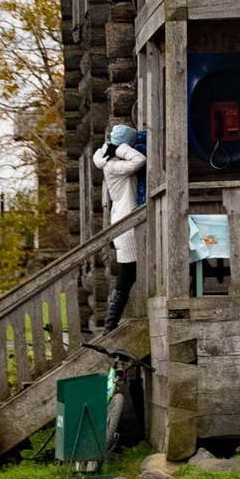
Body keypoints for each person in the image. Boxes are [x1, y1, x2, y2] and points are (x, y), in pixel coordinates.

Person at [93, 122, 148, 331]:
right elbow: (140, 160)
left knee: (129, 274)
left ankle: (111, 324)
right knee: (127, 274)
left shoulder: (106, 158)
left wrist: (116, 147)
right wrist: (121, 148)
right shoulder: (113, 165)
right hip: (127, 223)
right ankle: (110, 325)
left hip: (126, 219)